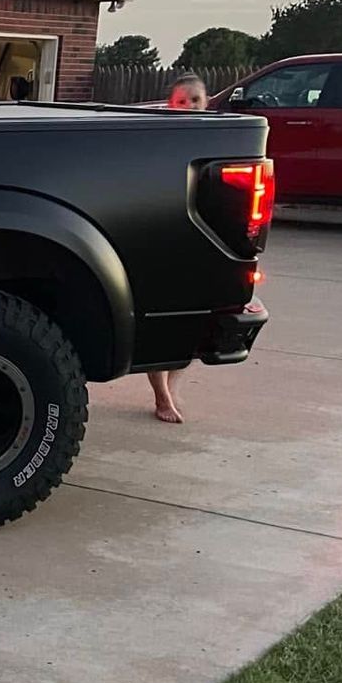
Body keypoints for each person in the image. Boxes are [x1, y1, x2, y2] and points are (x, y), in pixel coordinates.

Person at [146, 73, 212, 422]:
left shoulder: (217, 138)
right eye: (181, 101)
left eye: (195, 100)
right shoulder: (161, 139)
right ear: (171, 105)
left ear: (207, 102)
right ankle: (161, 397)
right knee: (160, 325)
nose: (189, 107)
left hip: (196, 245)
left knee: (188, 326)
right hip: (162, 242)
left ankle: (172, 389)